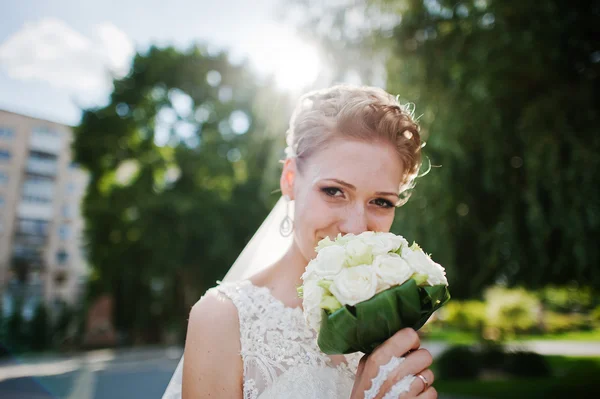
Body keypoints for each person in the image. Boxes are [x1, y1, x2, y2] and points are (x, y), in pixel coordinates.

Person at [162, 85, 437, 399]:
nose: (357, 227)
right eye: (334, 191)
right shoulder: (222, 319)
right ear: (290, 179)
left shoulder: (390, 317)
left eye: (381, 202)